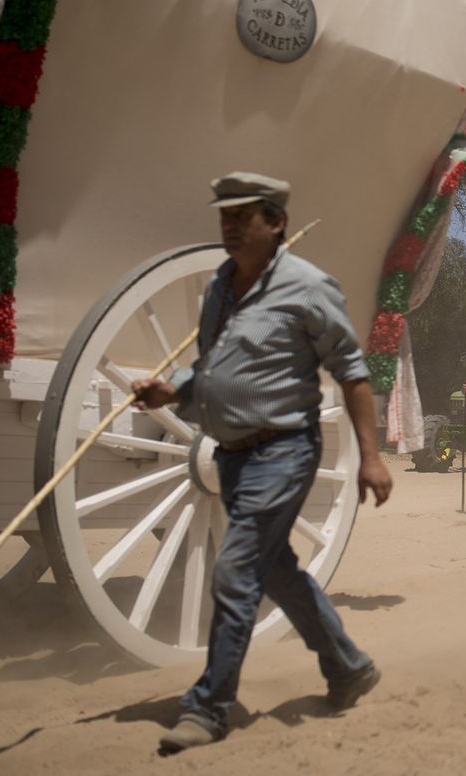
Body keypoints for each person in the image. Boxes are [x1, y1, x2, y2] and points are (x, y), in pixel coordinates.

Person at [131, 172, 392, 752]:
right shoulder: (220, 287)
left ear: (275, 223)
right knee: (274, 571)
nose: (229, 226)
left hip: (284, 450)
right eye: (224, 215)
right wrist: (172, 391)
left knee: (236, 570)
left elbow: (352, 372)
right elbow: (213, 368)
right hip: (231, 456)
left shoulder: (308, 287)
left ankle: (208, 709)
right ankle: (348, 667)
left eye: (242, 216)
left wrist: (370, 458)